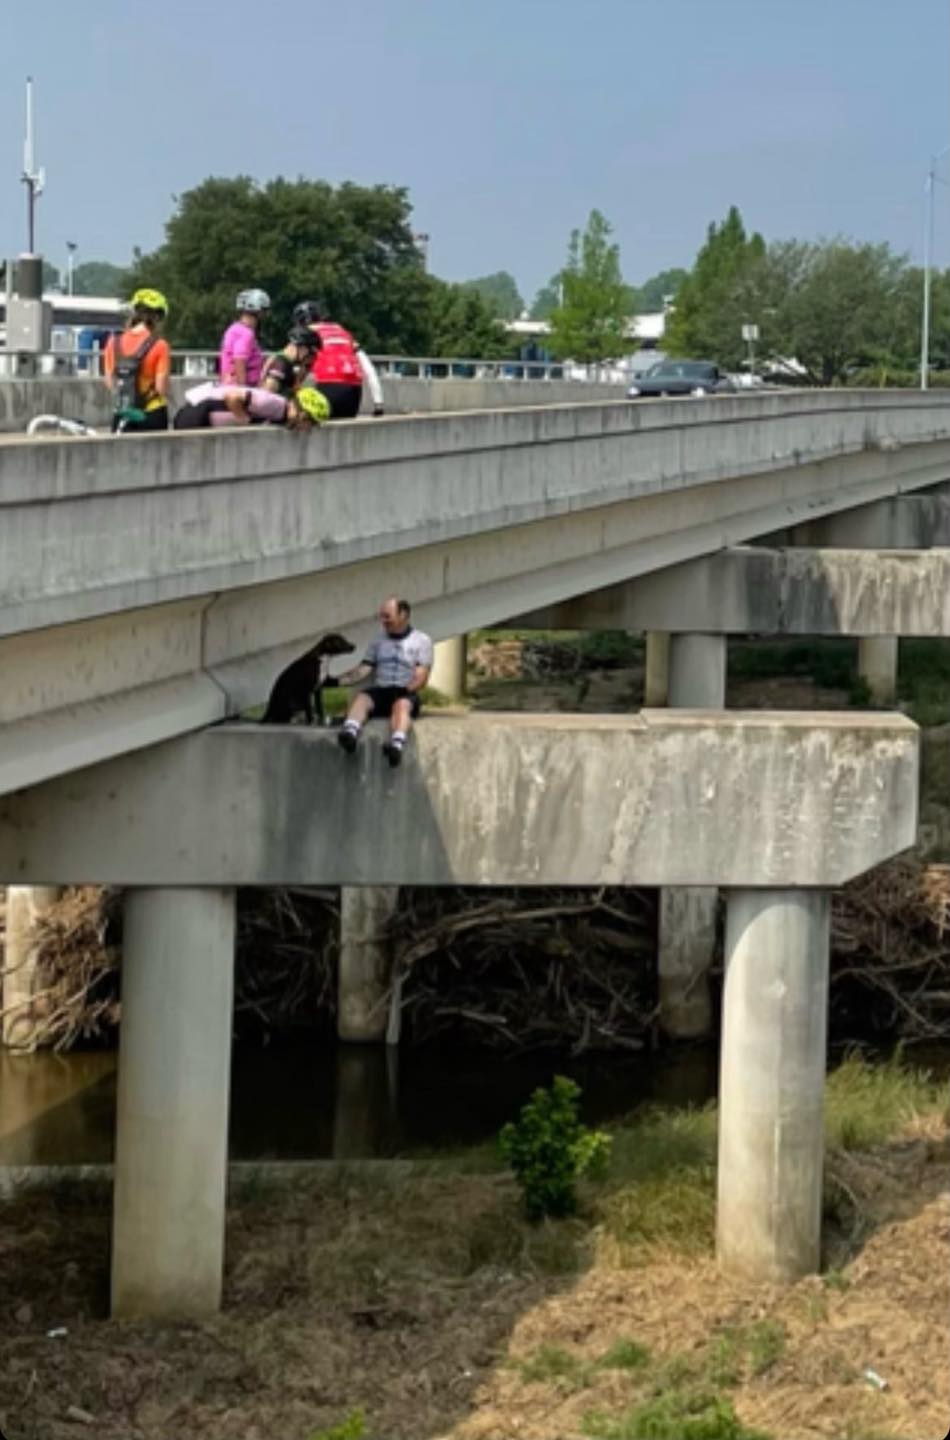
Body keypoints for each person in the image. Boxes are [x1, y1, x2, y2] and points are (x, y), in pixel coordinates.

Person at [336, 597, 432, 767]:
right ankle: (350, 733)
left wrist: (408, 689)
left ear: (403, 615)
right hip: (382, 690)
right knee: (362, 698)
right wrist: (337, 681)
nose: (383, 621)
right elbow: (364, 669)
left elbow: (422, 676)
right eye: (381, 616)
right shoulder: (377, 641)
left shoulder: (421, 641)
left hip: (405, 691)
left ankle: (396, 745)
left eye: (387, 616)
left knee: (401, 706)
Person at [291, 299, 385, 419]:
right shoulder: (342, 331)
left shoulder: (308, 333)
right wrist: (378, 404)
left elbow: (297, 369)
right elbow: (369, 369)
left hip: (328, 387)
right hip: (354, 394)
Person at [102, 288, 171, 432]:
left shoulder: (113, 342)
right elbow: (161, 388)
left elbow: (109, 381)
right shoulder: (160, 345)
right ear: (157, 317)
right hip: (151, 413)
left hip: (123, 412)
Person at [172, 381, 329, 430]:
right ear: (302, 413)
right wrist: (246, 423)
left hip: (203, 417)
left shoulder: (281, 413)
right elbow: (232, 397)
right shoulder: (275, 405)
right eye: (311, 423)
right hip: (198, 413)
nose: (309, 428)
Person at [218, 289, 271, 386]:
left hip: (228, 384)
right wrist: (243, 389)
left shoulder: (233, 329)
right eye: (264, 310)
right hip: (241, 388)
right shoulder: (246, 334)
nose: (265, 314)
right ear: (258, 311)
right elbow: (239, 360)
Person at [258, 326, 322, 398]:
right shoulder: (281, 364)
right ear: (301, 347)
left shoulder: (284, 362)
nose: (312, 358)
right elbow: (267, 395)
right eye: (311, 353)